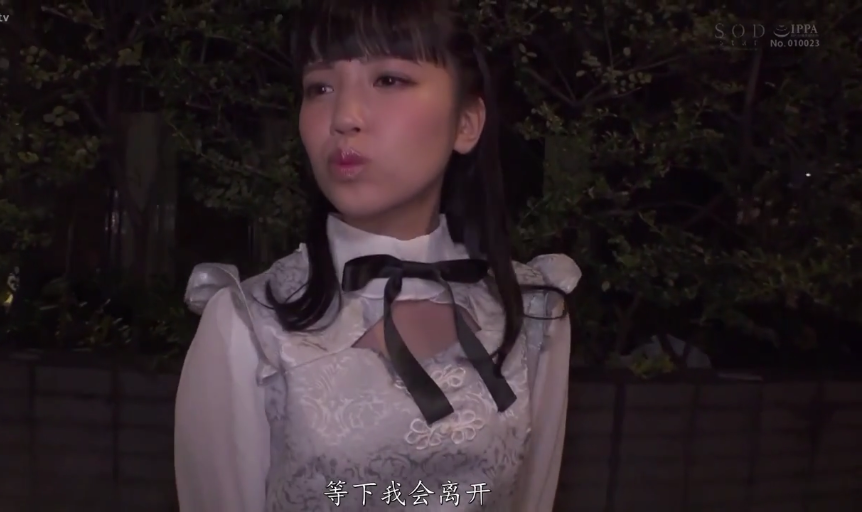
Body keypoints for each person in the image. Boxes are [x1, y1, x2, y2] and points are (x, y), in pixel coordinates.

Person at [174, 0, 581, 510]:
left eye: (389, 79)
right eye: (320, 87)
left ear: (466, 122)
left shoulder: (532, 314)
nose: (344, 117)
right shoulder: (247, 323)